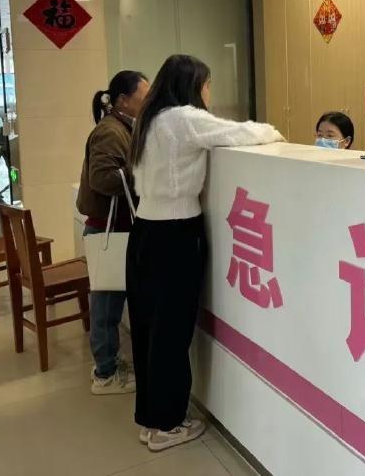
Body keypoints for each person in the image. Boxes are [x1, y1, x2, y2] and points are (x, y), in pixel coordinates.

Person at [127, 54, 283, 452]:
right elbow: (245, 132)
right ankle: (167, 425)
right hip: (175, 234)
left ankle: (151, 419)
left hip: (144, 233)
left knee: (149, 328)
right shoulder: (184, 119)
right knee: (172, 332)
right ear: (193, 85)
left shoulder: (149, 120)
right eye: (207, 84)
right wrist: (274, 132)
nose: (209, 92)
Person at [76, 70, 150, 395]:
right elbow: (103, 179)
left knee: (109, 303)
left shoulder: (122, 127)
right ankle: (105, 375)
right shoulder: (110, 131)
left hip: (114, 227)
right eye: (143, 96)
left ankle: (109, 364)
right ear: (123, 100)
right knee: (106, 307)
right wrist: (141, 169)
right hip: (108, 230)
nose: (148, 102)